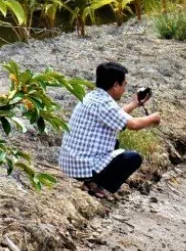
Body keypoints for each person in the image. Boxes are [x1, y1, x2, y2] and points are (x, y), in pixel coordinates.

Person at [59, 62, 161, 200]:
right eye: (124, 84)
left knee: (115, 143)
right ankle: (96, 185)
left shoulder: (92, 97)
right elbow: (134, 125)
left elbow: (116, 115)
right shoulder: (105, 104)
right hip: (81, 168)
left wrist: (134, 104)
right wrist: (153, 117)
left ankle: (92, 182)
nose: (125, 89)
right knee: (133, 158)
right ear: (115, 85)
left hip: (70, 163)